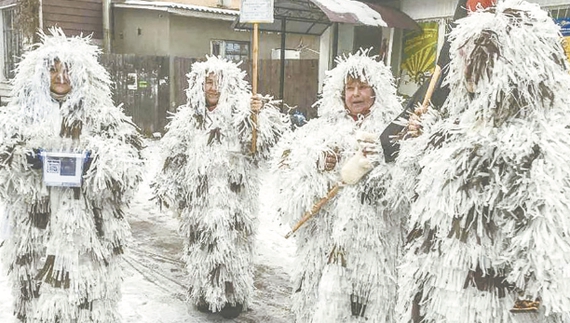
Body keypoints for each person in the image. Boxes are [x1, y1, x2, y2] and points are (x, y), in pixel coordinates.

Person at [396, 1, 570, 322]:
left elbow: (545, 250)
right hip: (436, 293)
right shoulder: (452, 130)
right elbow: (416, 201)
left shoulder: (542, 145)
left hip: (490, 303)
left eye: (484, 54)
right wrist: (419, 139)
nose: (467, 67)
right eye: (468, 53)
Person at [0, 28, 144, 322]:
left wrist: (97, 162)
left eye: (67, 70)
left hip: (86, 226)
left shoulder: (101, 115)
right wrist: (24, 159)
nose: (61, 76)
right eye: (53, 70)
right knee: (39, 288)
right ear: (42, 75)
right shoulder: (21, 115)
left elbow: (130, 162)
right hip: (37, 224)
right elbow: (5, 160)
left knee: (84, 290)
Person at [152, 56, 288, 319]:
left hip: (234, 201)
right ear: (198, 86)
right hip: (199, 202)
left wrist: (256, 117)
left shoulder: (241, 118)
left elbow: (260, 149)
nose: (213, 88)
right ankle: (203, 294)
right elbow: (174, 156)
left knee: (233, 249)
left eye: (219, 83)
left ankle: (233, 296)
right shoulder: (187, 120)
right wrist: (168, 185)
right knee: (200, 247)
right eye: (208, 83)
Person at [272, 50, 403, 323]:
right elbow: (288, 179)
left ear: (376, 91)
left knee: (365, 308)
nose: (356, 94)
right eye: (350, 88)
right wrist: (318, 164)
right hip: (323, 245)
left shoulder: (393, 133)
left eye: (363, 87)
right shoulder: (317, 131)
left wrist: (379, 164)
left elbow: (403, 191)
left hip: (371, 248)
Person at [380, 0, 496, 162]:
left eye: (480, 58)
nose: (469, 67)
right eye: (464, 55)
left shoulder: (504, 110)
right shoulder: (441, 94)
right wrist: (419, 131)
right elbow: (392, 145)